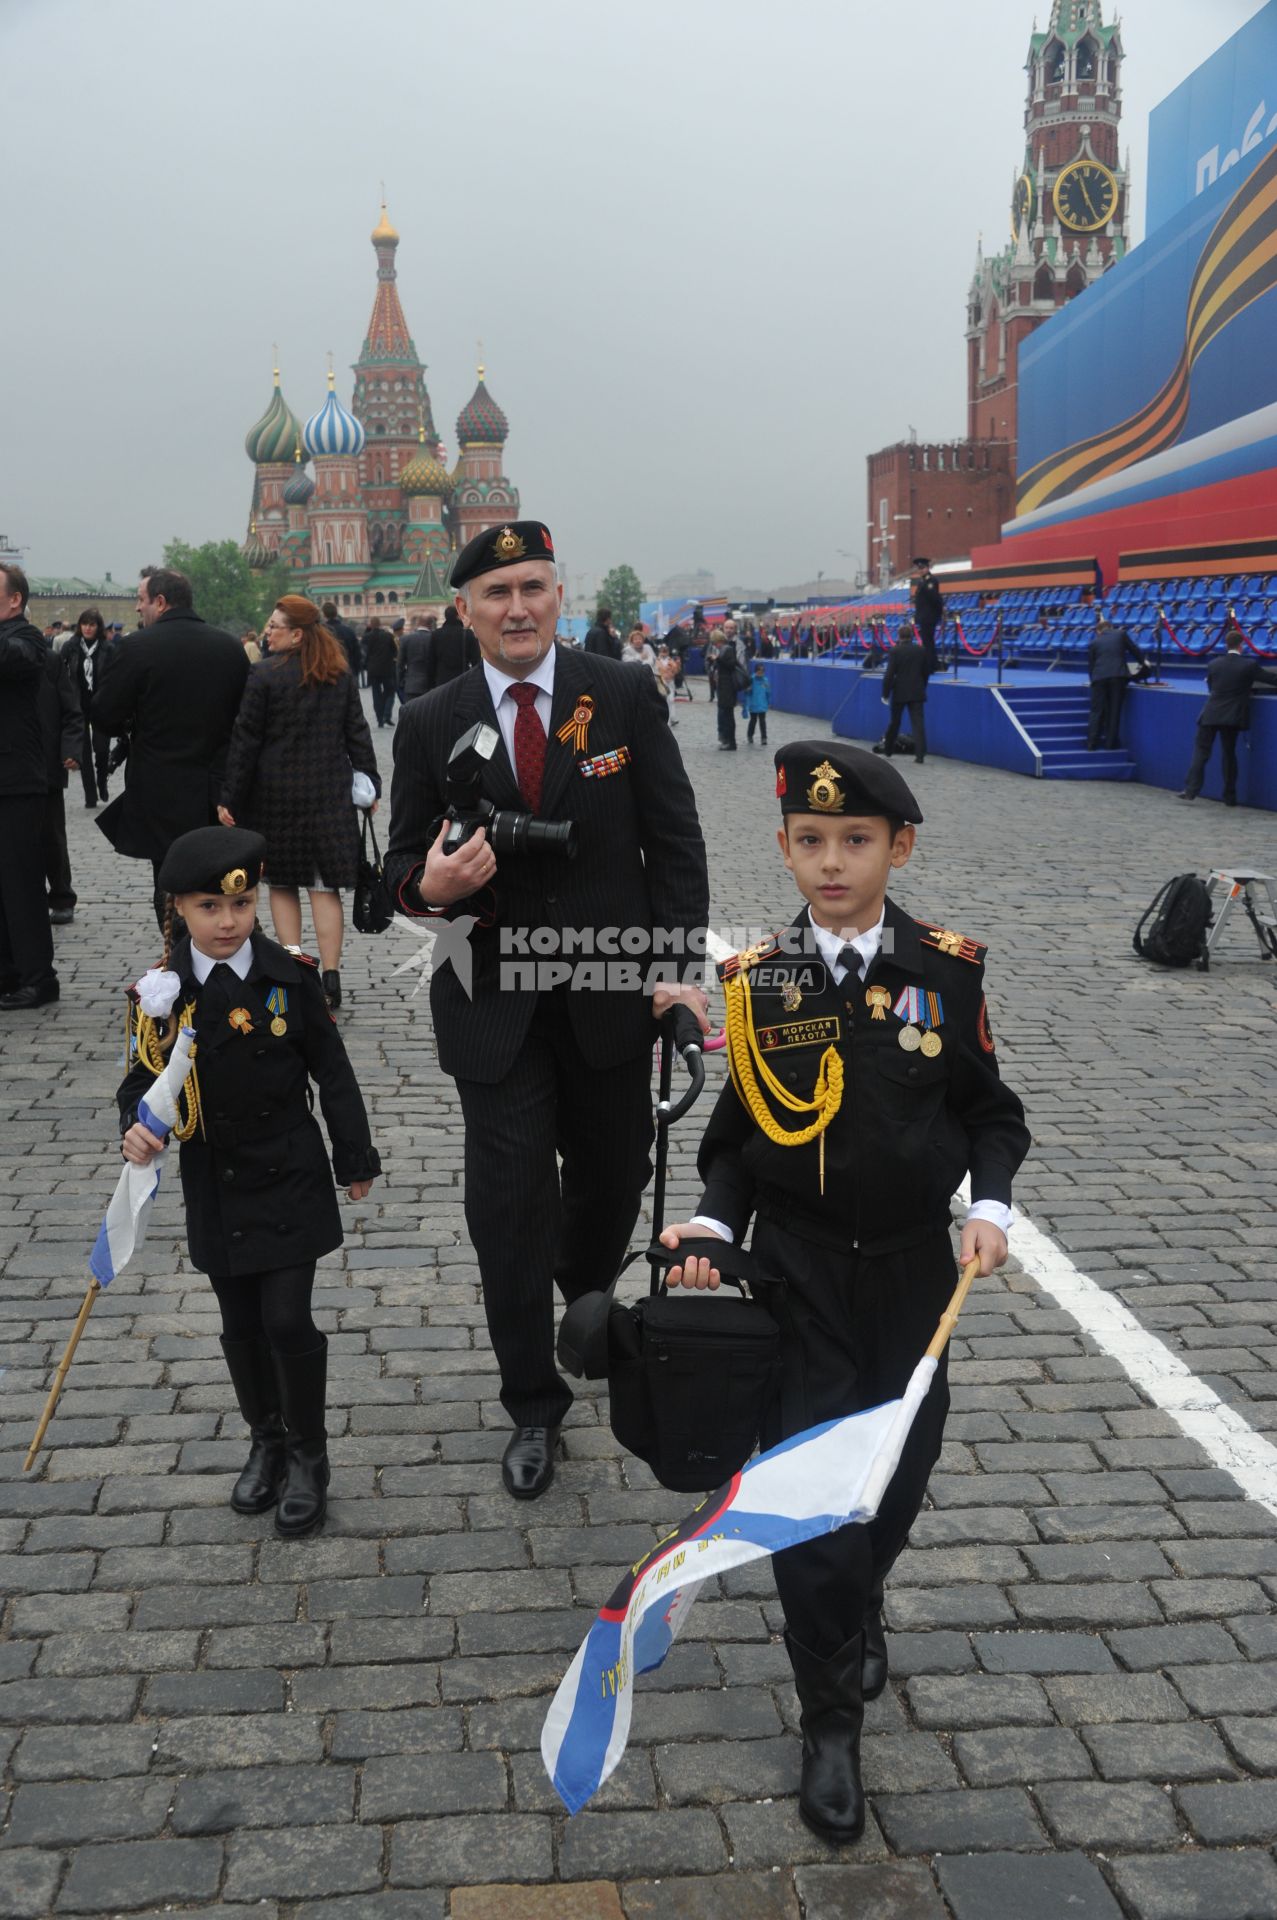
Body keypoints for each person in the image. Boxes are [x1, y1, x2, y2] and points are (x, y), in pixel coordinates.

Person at [659, 741, 1028, 1844]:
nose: (830, 863)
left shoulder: (944, 971)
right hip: (798, 1276)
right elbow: (731, 1143)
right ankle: (828, 1724)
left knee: (896, 1482)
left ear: (896, 847)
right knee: (817, 1508)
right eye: (809, 843)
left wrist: (990, 1207)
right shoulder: (761, 982)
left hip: (914, 1276)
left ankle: (861, 1597)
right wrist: (714, 1227)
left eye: (854, 842)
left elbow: (990, 1115)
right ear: (782, 848)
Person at [385, 520, 709, 1501]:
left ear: (557, 594)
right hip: (493, 1009)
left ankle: (584, 1296)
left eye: (530, 587)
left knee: (611, 1184)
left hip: (612, 994)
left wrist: (674, 969)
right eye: (494, 594)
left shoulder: (617, 693)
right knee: (507, 1210)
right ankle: (531, 1401)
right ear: (464, 612)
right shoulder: (428, 718)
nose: (515, 608)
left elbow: (674, 841)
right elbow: (394, 872)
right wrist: (430, 886)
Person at [117, 825, 380, 1536]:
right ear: (178, 909)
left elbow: (332, 1071)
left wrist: (353, 1157)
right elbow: (142, 1078)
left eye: (240, 904)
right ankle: (265, 1440)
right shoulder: (158, 995)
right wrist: (138, 1126)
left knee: (287, 1318)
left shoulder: (289, 978)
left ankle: (308, 1455)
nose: (228, 922)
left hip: (288, 1167)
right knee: (240, 1324)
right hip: (216, 1177)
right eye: (210, 907)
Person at [219, 596, 381, 1012]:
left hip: (276, 798)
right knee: (324, 888)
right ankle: (331, 975)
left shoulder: (263, 676)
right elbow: (357, 733)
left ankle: (294, 970)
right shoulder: (338, 675)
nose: (267, 631)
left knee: (284, 885)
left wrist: (229, 798)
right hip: (328, 795)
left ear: (297, 634)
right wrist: (370, 785)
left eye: (274, 626)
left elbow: (245, 742)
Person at [90, 567, 249, 932]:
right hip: (217, 788)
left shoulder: (135, 647)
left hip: (160, 788)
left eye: (140, 600)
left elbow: (104, 714)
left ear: (160, 603)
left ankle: (179, 963)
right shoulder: (228, 647)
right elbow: (248, 720)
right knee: (222, 882)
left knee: (170, 882)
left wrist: (130, 725)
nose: (136, 609)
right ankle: (222, 961)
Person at [0, 563, 60, 1008]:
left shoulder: (26, 637)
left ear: (15, 599)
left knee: (21, 884)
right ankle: (8, 972)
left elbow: (18, 659)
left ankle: (39, 978)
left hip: (17, 783)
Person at [1179, 627, 1277, 806]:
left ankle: (1190, 790)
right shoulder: (1248, 665)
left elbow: (1211, 686)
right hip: (1232, 715)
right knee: (1229, 754)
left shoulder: (1214, 664)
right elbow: (1271, 679)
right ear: (1242, 646)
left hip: (1210, 712)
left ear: (1226, 644)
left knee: (1201, 753)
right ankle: (1229, 796)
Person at [41, 640, 83, 927]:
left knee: (52, 836)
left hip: (45, 765)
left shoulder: (50, 661)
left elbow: (71, 712)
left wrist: (70, 749)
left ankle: (61, 896)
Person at [62, 608, 115, 807]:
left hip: (101, 705)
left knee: (101, 749)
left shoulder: (107, 648)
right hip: (78, 705)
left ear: (98, 626)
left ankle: (102, 780)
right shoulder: (71, 646)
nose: (87, 628)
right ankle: (90, 796)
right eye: (84, 624)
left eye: (92, 624)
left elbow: (114, 676)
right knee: (83, 752)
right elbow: (60, 670)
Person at [1086, 610, 1147, 751]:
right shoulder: (1121, 634)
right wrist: (1144, 664)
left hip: (1099, 677)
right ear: (1110, 627)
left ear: (1098, 631)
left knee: (1096, 711)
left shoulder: (1094, 642)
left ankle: (1091, 743)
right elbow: (1134, 650)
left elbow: (1091, 665)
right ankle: (1110, 744)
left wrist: (1093, 680)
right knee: (1115, 710)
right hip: (1117, 676)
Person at [875, 621, 931, 765]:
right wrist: (922, 686)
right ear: (911, 636)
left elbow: (889, 674)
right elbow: (926, 672)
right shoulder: (921, 650)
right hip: (917, 691)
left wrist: (885, 693)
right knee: (918, 723)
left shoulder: (895, 651)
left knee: (895, 722)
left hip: (899, 691)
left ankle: (888, 749)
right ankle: (920, 755)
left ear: (899, 636)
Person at [910, 558, 945, 674]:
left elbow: (934, 598)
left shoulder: (931, 581)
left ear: (927, 568)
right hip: (923, 616)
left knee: (928, 642)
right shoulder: (922, 582)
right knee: (927, 641)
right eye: (919, 569)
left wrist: (938, 613)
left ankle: (930, 666)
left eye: (922, 568)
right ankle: (932, 664)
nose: (920, 571)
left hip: (929, 616)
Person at [363, 616, 398, 727]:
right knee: (390, 691)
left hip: (373, 670)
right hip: (387, 669)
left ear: (371, 625)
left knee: (376, 693)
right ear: (380, 624)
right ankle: (386, 714)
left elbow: (364, 653)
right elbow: (395, 651)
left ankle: (379, 719)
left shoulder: (366, 637)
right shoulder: (388, 636)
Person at [715, 637, 749, 749]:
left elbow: (730, 664)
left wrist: (718, 659)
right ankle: (729, 741)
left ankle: (731, 742)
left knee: (728, 716)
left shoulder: (728, 649)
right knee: (727, 716)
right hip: (725, 688)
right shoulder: (727, 649)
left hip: (727, 688)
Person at [397, 616, 437, 701]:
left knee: (411, 713)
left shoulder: (406, 639)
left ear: (417, 624)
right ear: (430, 625)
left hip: (411, 685)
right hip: (430, 686)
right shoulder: (434, 638)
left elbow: (400, 664)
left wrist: (401, 682)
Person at [322, 602, 360, 679]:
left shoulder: (321, 632)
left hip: (327, 673)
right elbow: (357, 653)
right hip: (348, 670)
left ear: (324, 614)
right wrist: (355, 671)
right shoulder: (348, 630)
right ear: (336, 613)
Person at [744, 661, 771, 745]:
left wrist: (768, 702)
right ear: (756, 671)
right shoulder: (751, 680)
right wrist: (748, 691)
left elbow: (768, 692)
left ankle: (764, 738)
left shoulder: (765, 680)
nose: (760, 673)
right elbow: (747, 692)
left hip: (762, 704)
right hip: (754, 704)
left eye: (762, 671)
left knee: (762, 722)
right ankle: (750, 735)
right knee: (753, 721)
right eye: (759, 671)